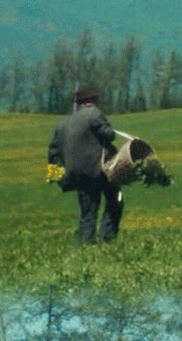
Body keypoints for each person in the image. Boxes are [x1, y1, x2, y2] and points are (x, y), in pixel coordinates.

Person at [47, 84, 125, 244]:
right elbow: (108, 135)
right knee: (116, 199)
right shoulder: (94, 114)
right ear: (92, 100)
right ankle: (107, 238)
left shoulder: (63, 123)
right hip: (97, 171)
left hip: (75, 174)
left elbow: (53, 152)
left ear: (79, 103)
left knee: (88, 210)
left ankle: (85, 242)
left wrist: (56, 177)